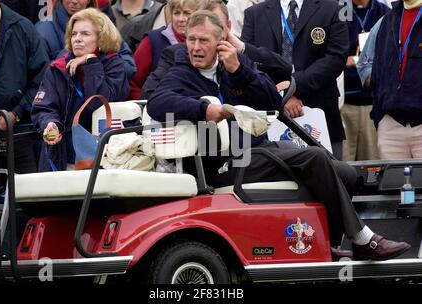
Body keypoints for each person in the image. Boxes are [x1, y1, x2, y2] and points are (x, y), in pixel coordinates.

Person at [147, 10, 411, 261]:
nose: (195, 47)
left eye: (203, 40)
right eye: (191, 40)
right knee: (315, 158)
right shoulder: (181, 72)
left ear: (220, 41)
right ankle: (363, 238)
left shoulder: (233, 65)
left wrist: (240, 71)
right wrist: (205, 109)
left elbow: (272, 100)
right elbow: (157, 102)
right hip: (223, 164)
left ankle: (327, 242)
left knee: (347, 173)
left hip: (257, 150)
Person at [241, 0, 349, 160]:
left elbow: (336, 58)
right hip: (270, 116)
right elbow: (248, 62)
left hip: (320, 110)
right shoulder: (254, 14)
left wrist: (293, 86)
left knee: (331, 178)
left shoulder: (334, 8)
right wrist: (281, 94)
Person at [31, 8, 130, 172]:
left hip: (105, 158)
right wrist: (50, 123)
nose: (77, 39)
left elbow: (100, 103)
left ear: (101, 38)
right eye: (74, 34)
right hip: (63, 157)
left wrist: (91, 63)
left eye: (85, 34)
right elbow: (43, 107)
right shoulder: (58, 68)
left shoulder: (114, 64)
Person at [141, 0, 292, 100]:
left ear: (228, 27)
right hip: (201, 138)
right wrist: (200, 108)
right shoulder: (178, 55)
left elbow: (285, 70)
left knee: (311, 150)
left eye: (217, 26)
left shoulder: (239, 57)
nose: (211, 31)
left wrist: (242, 50)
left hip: (245, 140)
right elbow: (151, 96)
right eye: (203, 27)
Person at [0, 0, 49, 183]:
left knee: (23, 204)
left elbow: (42, 81)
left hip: (14, 135)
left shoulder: (22, 28)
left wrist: (16, 114)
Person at [371, 0, 422, 159]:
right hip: (391, 125)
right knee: (392, 184)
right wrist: (379, 118)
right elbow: (377, 71)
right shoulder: (389, 19)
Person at [35, 0, 135, 81]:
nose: (74, 1)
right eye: (74, 34)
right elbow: (41, 76)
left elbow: (129, 70)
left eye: (86, 34)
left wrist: (93, 60)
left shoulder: (105, 27)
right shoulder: (43, 30)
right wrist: (72, 55)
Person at [342, 0, 389, 161]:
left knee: (372, 164)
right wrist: (346, 60)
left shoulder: (384, 11)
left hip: (373, 103)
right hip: (344, 102)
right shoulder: (340, 9)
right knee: (344, 164)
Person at [129, 0, 203, 99]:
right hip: (161, 110)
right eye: (176, 13)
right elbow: (132, 82)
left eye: (187, 13)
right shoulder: (153, 40)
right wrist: (147, 107)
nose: (180, 19)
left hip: (198, 110)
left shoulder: (206, 44)